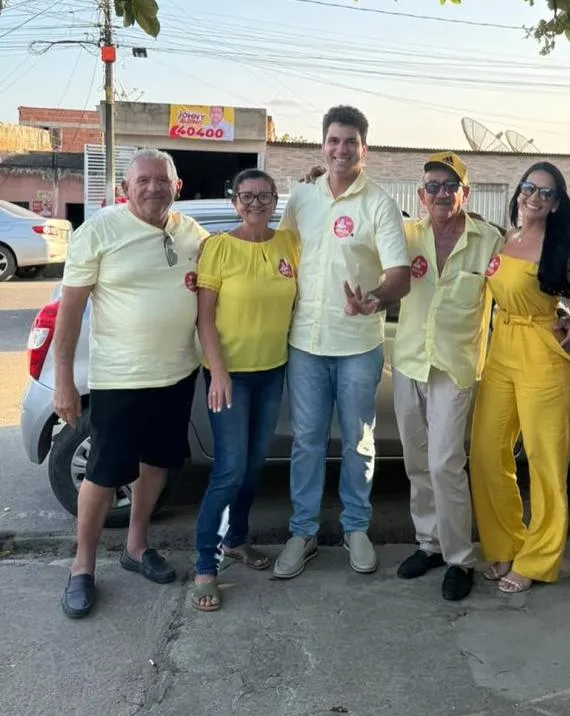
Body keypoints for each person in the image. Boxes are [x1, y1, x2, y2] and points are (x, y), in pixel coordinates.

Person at [52, 150, 208, 618]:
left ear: (177, 186)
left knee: (157, 464)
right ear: (125, 188)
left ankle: (136, 547)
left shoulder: (193, 233)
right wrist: (63, 381)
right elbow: (70, 312)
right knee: (103, 472)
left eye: (162, 180)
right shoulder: (98, 231)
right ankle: (82, 567)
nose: (153, 187)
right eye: (143, 180)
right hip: (119, 379)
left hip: (177, 373)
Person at [273, 105, 410, 579]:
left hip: (358, 345)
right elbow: (281, 259)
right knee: (307, 442)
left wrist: (373, 299)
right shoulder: (302, 198)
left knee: (358, 442)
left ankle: (356, 527)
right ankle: (303, 532)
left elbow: (400, 276)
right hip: (305, 344)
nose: (341, 149)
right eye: (334, 140)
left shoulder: (379, 203)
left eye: (350, 141)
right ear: (323, 145)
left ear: (363, 149)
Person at [470, 162, 570, 594]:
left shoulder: (560, 250)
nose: (534, 197)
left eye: (546, 193)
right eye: (529, 187)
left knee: (544, 461)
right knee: (486, 453)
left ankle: (538, 558)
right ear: (519, 191)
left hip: (542, 353)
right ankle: (505, 543)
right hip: (501, 351)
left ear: (556, 204)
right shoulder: (504, 239)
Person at [391, 152, 504, 601]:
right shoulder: (406, 236)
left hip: (455, 368)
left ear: (465, 193)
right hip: (409, 362)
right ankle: (429, 544)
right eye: (433, 186)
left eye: (450, 186)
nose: (441, 193)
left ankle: (459, 558)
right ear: (421, 196)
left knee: (445, 463)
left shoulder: (488, 240)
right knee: (417, 462)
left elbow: (514, 289)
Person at [191, 169, 299, 612]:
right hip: (228, 375)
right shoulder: (218, 248)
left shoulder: (289, 244)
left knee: (254, 467)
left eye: (264, 195)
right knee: (229, 470)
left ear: (275, 200)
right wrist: (218, 373)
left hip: (271, 372)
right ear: (234, 201)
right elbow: (204, 318)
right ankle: (205, 566)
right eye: (247, 196)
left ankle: (236, 540)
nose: (256, 203)